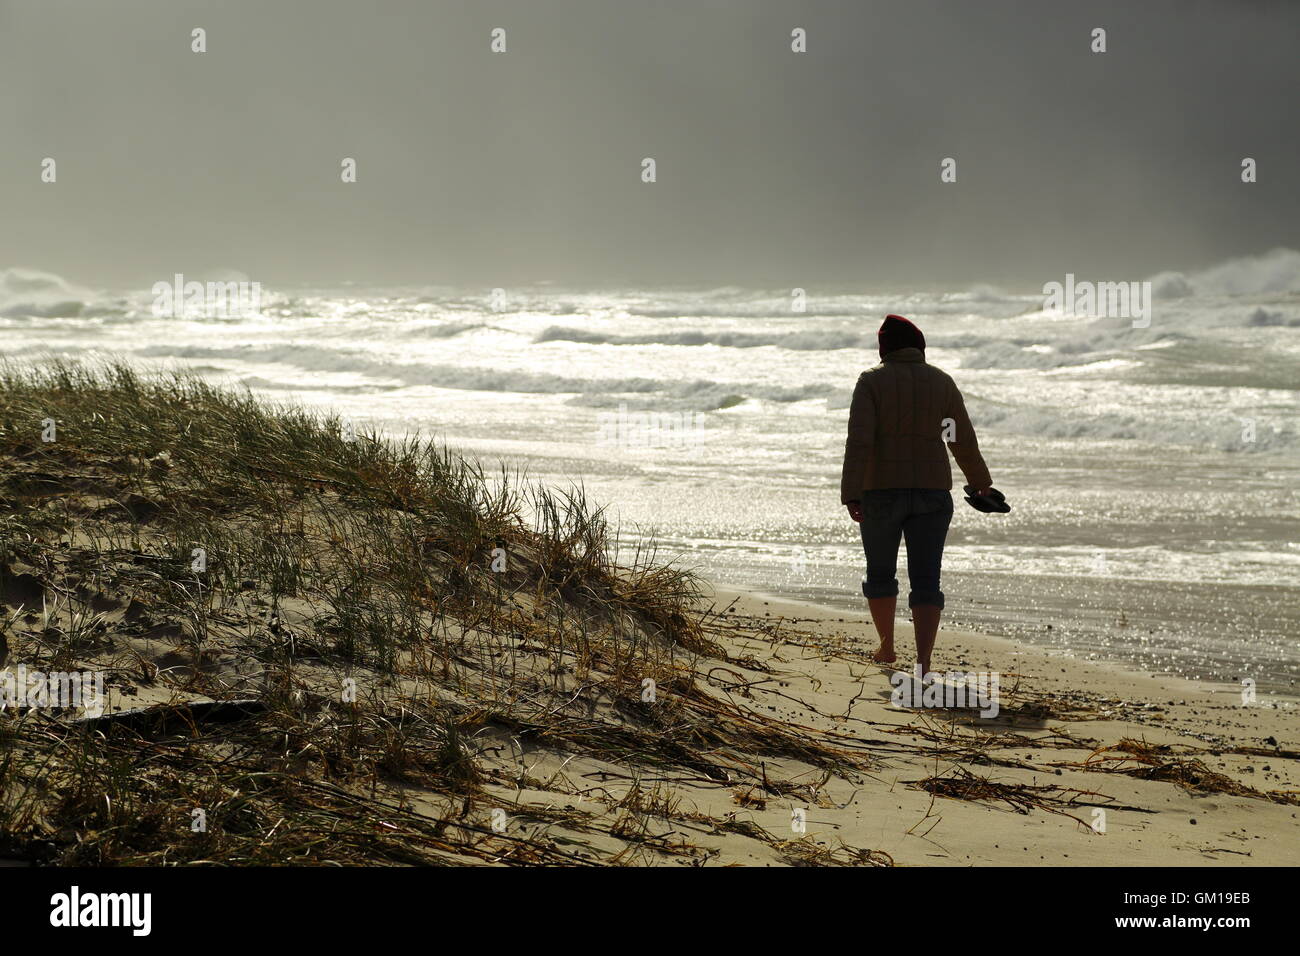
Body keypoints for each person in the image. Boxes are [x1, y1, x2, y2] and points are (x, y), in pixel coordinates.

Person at [840, 314, 993, 676]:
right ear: (919, 346)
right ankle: (923, 662)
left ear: (884, 348)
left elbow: (859, 440)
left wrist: (851, 492)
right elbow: (960, 438)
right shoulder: (941, 382)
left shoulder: (871, 382)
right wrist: (980, 481)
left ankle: (887, 647)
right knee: (927, 578)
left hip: (880, 493)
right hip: (932, 493)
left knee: (880, 573)